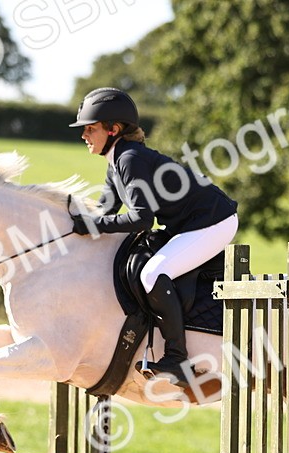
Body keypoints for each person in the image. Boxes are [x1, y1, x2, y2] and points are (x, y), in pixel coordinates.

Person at [67, 87, 239, 386]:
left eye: (90, 129)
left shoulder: (130, 159)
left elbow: (141, 219)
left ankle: (177, 359)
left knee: (153, 274)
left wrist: (93, 226)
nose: (84, 135)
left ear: (113, 129)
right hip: (190, 223)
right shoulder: (117, 160)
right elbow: (106, 210)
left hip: (212, 222)